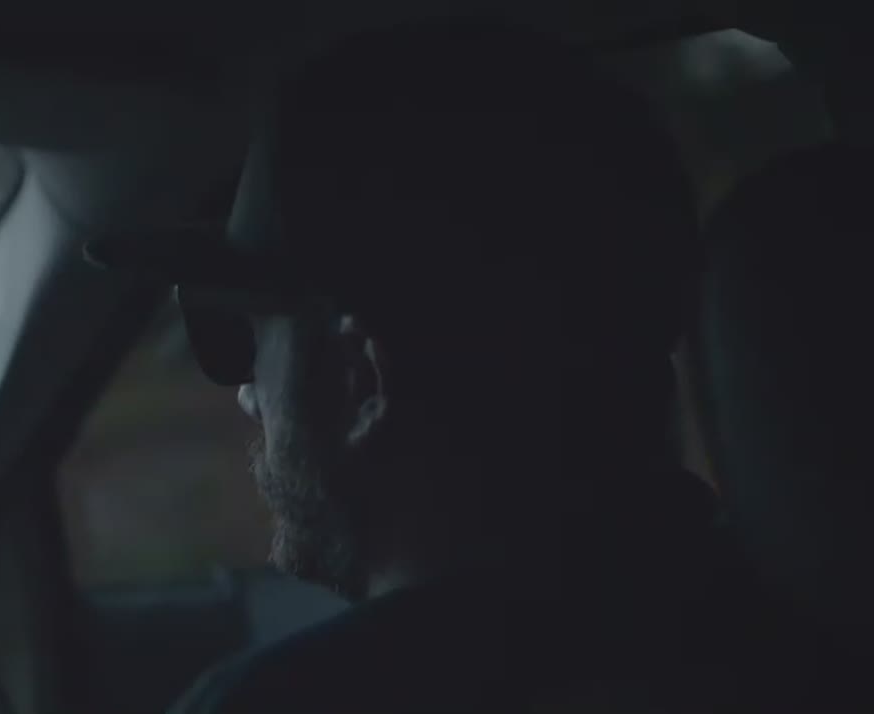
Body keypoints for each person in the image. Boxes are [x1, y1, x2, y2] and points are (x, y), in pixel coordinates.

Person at [88, 18, 747, 714]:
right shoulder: (787, 631)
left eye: (247, 337)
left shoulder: (280, 704)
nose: (248, 394)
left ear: (361, 379)